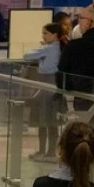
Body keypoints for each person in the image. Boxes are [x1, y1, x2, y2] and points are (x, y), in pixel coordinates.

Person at [22, 23, 67, 162]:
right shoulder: (59, 48)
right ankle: (49, 151)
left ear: (55, 35)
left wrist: (41, 47)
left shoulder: (48, 49)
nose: (43, 36)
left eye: (46, 33)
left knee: (44, 121)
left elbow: (27, 55)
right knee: (51, 122)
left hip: (45, 87)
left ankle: (44, 151)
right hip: (54, 86)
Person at [58, 0, 94, 102]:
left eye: (80, 18)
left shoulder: (73, 47)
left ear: (88, 23)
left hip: (85, 109)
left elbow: (62, 82)